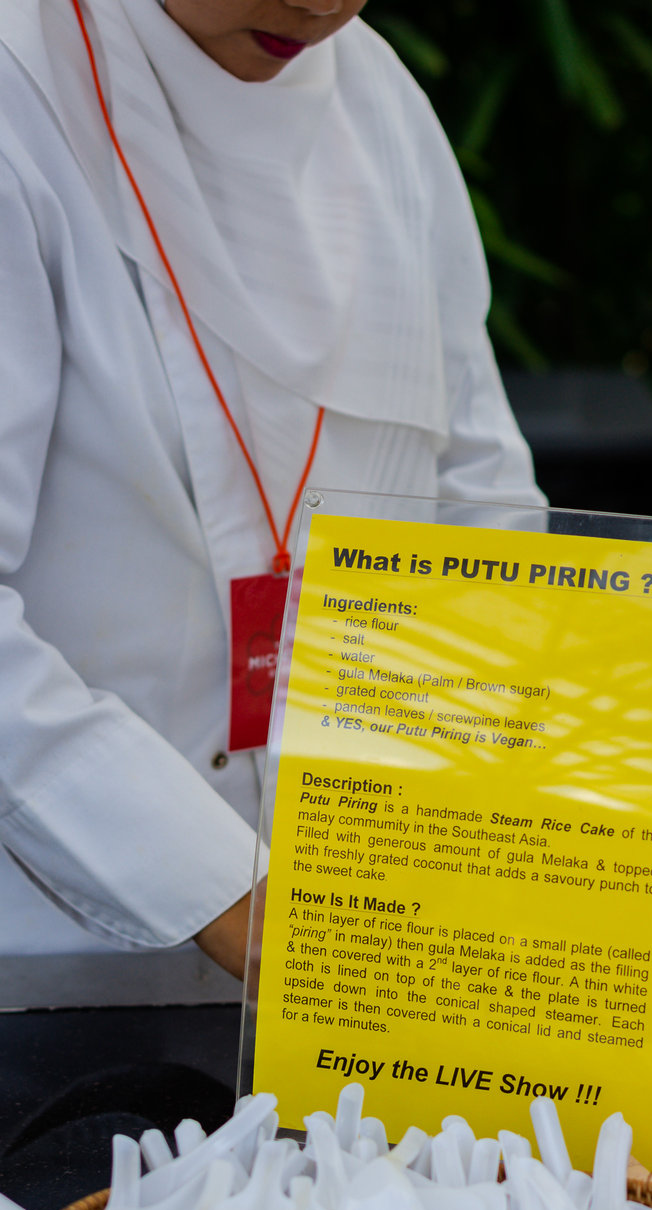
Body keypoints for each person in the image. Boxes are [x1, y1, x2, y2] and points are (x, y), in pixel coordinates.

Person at [0, 0, 546, 981]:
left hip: (383, 928)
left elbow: (482, 499)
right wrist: (224, 889)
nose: (320, 5)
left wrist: (507, 826)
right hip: (47, 957)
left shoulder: (379, 104)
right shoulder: (20, 94)